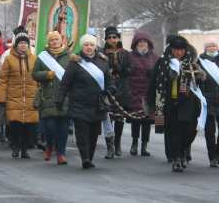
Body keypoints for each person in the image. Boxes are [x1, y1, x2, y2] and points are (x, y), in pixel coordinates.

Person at [147, 35, 205, 172]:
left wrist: (197, 77)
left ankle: (184, 150)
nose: (179, 52)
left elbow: (201, 82)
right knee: (174, 132)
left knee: (189, 131)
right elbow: (154, 82)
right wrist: (151, 102)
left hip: (188, 102)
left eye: (181, 50)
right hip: (169, 102)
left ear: (186, 50)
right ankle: (176, 158)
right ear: (171, 50)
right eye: (176, 49)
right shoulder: (163, 63)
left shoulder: (192, 63)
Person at [56, 34, 113, 169]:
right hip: (79, 103)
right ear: (82, 46)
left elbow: (109, 81)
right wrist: (59, 99)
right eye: (86, 45)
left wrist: (111, 89)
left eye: (91, 45)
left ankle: (90, 156)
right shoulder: (75, 62)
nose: (89, 47)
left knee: (94, 133)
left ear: (95, 47)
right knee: (82, 133)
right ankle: (85, 158)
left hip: (97, 104)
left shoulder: (103, 61)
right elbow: (65, 83)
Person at [0, 30, 39, 159]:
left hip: (30, 97)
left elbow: (37, 78)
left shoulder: (34, 59)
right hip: (13, 97)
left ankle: (24, 149)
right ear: (16, 45)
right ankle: (15, 147)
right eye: (20, 43)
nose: (23, 45)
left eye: (25, 43)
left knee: (28, 125)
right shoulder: (9, 59)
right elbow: (3, 79)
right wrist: (2, 98)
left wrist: (38, 95)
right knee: (15, 125)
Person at [32, 31, 71, 165]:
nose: (54, 42)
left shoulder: (69, 56)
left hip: (65, 96)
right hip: (47, 96)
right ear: (49, 42)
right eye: (52, 40)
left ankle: (61, 153)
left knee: (63, 127)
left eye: (57, 40)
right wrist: (46, 74)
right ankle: (49, 146)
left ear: (61, 41)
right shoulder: (42, 57)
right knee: (50, 127)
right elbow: (34, 74)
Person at [128, 32, 158, 156]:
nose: (142, 44)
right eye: (140, 42)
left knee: (147, 121)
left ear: (148, 44)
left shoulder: (154, 57)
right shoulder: (129, 56)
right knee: (135, 119)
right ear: (135, 44)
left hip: (148, 93)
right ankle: (134, 143)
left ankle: (144, 145)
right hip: (134, 91)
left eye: (144, 42)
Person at [103, 26, 131, 158]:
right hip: (107, 88)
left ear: (118, 38)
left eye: (114, 37)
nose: (112, 40)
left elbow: (131, 70)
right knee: (108, 118)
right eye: (109, 38)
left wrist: (120, 68)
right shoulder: (101, 53)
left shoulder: (125, 53)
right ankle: (110, 146)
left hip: (121, 89)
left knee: (119, 118)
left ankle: (118, 143)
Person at [198, 40, 219, 167]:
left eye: (213, 45)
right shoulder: (199, 62)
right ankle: (212, 157)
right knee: (209, 131)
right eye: (209, 46)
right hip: (207, 101)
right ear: (205, 49)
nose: (212, 48)